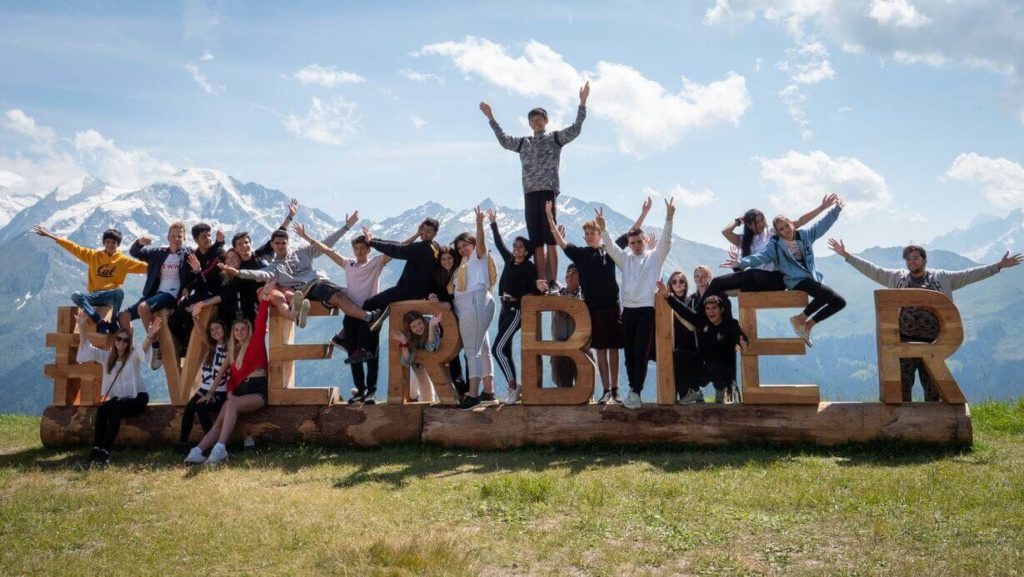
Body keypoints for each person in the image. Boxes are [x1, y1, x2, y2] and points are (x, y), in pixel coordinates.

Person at [829, 239, 1023, 401]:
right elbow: (873, 270)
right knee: (902, 387)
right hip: (904, 341)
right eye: (908, 259)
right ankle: (904, 428)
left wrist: (998, 266)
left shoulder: (942, 277)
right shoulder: (897, 277)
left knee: (933, 388)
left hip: (934, 343)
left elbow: (970, 275)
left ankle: (935, 429)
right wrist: (847, 256)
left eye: (916, 258)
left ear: (924, 259)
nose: (912, 261)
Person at [480, 81, 590, 291]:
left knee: (551, 239)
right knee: (537, 242)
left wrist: (582, 103)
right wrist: (491, 119)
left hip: (548, 192)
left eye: (540, 119)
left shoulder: (555, 138)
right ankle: (541, 281)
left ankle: (553, 280)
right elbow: (504, 140)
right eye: (533, 119)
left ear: (546, 121)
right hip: (530, 193)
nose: (537, 122)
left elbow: (575, 130)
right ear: (529, 123)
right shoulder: (523, 143)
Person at [290, 227, 401, 405]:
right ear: (353, 250)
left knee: (372, 353)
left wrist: (417, 235)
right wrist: (306, 236)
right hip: (351, 313)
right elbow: (327, 250)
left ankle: (371, 392)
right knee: (353, 353)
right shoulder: (347, 263)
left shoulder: (377, 262)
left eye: (363, 248)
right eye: (356, 248)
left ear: (369, 248)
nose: (359, 252)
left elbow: (398, 249)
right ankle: (360, 391)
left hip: (371, 313)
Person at [724, 198, 846, 347]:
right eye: (781, 229)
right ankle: (799, 319)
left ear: (791, 225)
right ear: (778, 232)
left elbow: (822, 225)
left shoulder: (805, 235)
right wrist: (741, 263)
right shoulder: (774, 244)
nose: (785, 230)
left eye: (786, 226)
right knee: (827, 295)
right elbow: (759, 257)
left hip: (809, 278)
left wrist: (835, 210)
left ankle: (807, 326)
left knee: (839, 302)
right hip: (794, 280)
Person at [221, 213, 362, 335]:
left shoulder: (263, 254)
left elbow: (324, 244)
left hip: (283, 284)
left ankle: (301, 313)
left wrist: (346, 227)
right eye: (240, 244)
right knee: (279, 296)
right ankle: (293, 315)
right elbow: (257, 274)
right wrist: (237, 272)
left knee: (291, 294)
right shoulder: (269, 266)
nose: (244, 246)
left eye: (246, 242)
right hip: (267, 289)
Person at [184, 283, 274, 466]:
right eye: (236, 330)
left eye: (243, 329)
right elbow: (231, 378)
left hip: (256, 393)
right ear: (233, 333)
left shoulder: (256, 343)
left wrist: (264, 298)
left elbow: (262, 319)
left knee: (230, 404)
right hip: (239, 394)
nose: (240, 333)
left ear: (248, 331)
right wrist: (227, 391)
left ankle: (220, 449)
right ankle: (197, 451)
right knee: (220, 421)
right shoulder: (233, 351)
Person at [599, 198, 676, 410]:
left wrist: (669, 218)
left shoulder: (655, 257)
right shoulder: (626, 258)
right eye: (632, 243)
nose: (635, 245)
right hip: (629, 312)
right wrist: (604, 229)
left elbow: (666, 242)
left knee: (641, 352)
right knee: (629, 354)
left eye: (639, 242)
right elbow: (612, 249)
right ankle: (633, 391)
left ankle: (636, 392)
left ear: (644, 240)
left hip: (646, 310)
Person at [545, 201, 622, 404]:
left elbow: (630, 235)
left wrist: (644, 213)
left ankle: (616, 390)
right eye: (586, 234)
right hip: (594, 308)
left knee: (614, 348)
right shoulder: (581, 254)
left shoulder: (610, 251)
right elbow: (561, 243)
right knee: (601, 349)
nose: (588, 237)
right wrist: (550, 219)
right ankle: (606, 391)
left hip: (613, 306)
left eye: (592, 233)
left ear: (599, 234)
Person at [707, 195, 839, 301]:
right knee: (716, 283)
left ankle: (743, 293)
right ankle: (700, 316)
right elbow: (725, 232)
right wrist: (738, 221)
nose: (760, 224)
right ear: (748, 224)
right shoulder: (744, 240)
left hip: (774, 279)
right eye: (756, 221)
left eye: (762, 220)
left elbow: (800, 221)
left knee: (748, 274)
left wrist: (822, 207)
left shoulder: (773, 232)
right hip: (754, 281)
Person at [74, 311, 159, 467]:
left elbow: (143, 348)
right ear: (115, 341)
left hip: (138, 397)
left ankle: (105, 451)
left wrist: (150, 335)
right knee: (102, 410)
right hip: (119, 399)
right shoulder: (107, 357)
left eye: (125, 341)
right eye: (119, 339)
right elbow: (87, 348)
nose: (121, 343)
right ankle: (96, 448)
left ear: (128, 343)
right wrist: (81, 326)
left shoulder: (133, 356)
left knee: (116, 411)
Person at [34, 225, 147, 333]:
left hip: (110, 296)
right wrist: (50, 235)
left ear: (118, 244)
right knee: (76, 296)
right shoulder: (93, 256)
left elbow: (144, 267)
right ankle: (99, 322)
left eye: (113, 242)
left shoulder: (123, 261)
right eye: (108, 242)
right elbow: (73, 247)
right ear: (104, 243)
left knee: (120, 292)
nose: (110, 245)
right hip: (94, 295)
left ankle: (113, 321)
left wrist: (163, 263)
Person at [356, 218, 442, 356]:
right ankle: (376, 321)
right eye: (423, 230)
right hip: (417, 291)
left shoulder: (422, 248)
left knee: (369, 303)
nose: (425, 233)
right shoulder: (435, 247)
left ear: (435, 233)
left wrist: (371, 242)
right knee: (379, 307)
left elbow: (397, 250)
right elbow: (399, 245)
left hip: (406, 291)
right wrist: (373, 240)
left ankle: (362, 344)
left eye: (429, 231)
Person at [486, 208, 543, 405]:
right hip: (504, 307)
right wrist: (493, 223)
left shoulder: (529, 268)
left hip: (517, 310)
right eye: (515, 246)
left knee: (497, 349)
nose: (516, 248)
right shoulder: (510, 261)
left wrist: (539, 289)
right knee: (505, 349)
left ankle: (513, 386)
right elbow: (499, 244)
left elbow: (533, 290)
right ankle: (514, 388)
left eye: (520, 247)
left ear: (526, 251)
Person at [659, 283, 749, 403]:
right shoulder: (702, 321)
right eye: (707, 308)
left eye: (714, 308)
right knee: (679, 354)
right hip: (705, 367)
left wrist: (742, 341)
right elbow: (684, 311)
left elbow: (739, 335)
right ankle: (694, 392)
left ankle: (723, 390)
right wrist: (668, 296)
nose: (710, 311)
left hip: (723, 371)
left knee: (714, 367)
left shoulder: (730, 324)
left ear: (721, 310)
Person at [122, 222, 193, 369]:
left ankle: (155, 345)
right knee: (123, 316)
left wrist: (187, 288)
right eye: (173, 236)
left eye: (179, 236)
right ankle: (128, 352)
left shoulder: (188, 254)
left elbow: (195, 276)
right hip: (155, 294)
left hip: (171, 295)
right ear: (168, 237)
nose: (176, 239)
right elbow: (136, 253)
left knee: (143, 308)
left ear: (184, 237)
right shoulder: (159, 252)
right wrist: (140, 243)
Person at [451, 207, 498, 409]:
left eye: (465, 245)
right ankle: (489, 392)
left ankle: (473, 395)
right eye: (459, 247)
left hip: (474, 303)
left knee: (472, 350)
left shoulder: (479, 257)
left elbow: (481, 242)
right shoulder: (464, 264)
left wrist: (479, 224)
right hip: (474, 305)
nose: (463, 249)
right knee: (484, 348)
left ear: (473, 244)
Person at [168, 223, 225, 352]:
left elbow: (209, 282)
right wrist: (187, 287)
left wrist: (198, 272)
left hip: (214, 294)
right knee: (172, 322)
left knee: (188, 316)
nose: (208, 239)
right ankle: (187, 345)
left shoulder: (219, 254)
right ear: (196, 240)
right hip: (198, 294)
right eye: (204, 236)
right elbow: (191, 279)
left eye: (209, 235)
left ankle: (192, 348)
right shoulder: (193, 256)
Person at [176, 318, 229, 453]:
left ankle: (211, 444)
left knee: (201, 407)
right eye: (212, 330)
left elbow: (221, 373)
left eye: (218, 328)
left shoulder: (230, 347)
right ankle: (182, 443)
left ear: (224, 328)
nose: (215, 331)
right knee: (189, 409)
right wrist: (195, 317)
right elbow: (200, 332)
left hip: (218, 391)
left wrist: (210, 393)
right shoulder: (212, 346)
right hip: (204, 389)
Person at [428, 245, 468, 397]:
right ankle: (460, 390)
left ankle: (470, 389)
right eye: (443, 259)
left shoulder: (460, 273)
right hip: (445, 320)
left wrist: (449, 302)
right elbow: (429, 289)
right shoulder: (436, 274)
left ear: (454, 258)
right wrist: (431, 295)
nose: (446, 261)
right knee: (452, 354)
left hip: (461, 314)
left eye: (449, 258)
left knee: (468, 352)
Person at [663, 271, 705, 403]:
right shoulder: (664, 304)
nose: (678, 284)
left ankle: (690, 395)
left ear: (686, 284)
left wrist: (670, 298)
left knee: (679, 356)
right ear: (670, 284)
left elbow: (693, 322)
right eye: (674, 281)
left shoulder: (693, 301)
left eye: (681, 281)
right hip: (672, 348)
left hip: (692, 350)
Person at [394, 310, 444, 403]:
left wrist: (431, 327)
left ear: (422, 320)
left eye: (419, 323)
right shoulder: (409, 336)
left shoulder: (431, 323)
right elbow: (406, 362)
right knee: (427, 396)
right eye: (413, 327)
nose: (418, 328)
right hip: (418, 362)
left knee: (429, 395)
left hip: (434, 358)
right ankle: (412, 396)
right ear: (409, 329)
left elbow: (431, 348)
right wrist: (404, 343)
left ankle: (413, 395)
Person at [550, 263, 583, 388]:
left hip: (581, 348)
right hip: (559, 348)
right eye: (569, 272)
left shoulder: (586, 295)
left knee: (584, 385)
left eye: (575, 273)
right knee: (563, 387)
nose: (572, 275)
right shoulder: (557, 295)